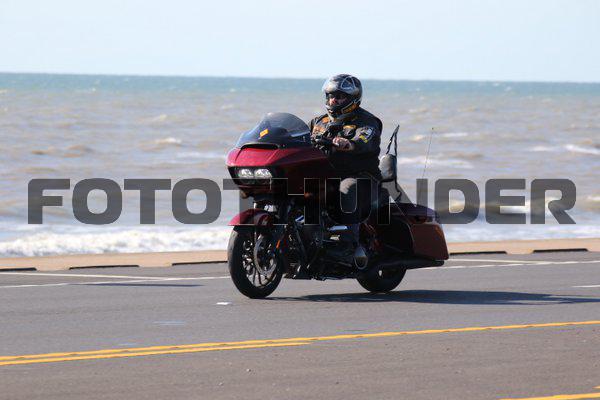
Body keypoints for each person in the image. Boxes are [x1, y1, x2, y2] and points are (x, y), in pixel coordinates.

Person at [309, 74, 382, 268]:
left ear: (353, 98)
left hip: (361, 178)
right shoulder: (318, 122)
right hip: (326, 177)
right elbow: (297, 138)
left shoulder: (367, 121)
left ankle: (349, 244)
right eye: (331, 95)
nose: (333, 100)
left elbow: (364, 139)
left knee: (347, 189)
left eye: (339, 96)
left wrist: (348, 143)